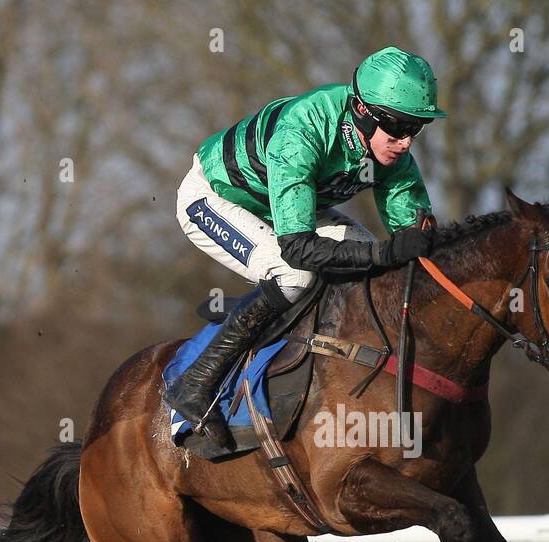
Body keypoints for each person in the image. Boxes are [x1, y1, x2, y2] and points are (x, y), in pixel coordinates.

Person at [169, 46, 446, 447]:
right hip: (217, 199)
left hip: (292, 208)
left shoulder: (391, 151)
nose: (405, 143)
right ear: (365, 112)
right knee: (295, 275)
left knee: (373, 272)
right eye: (399, 127)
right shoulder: (303, 132)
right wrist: (385, 253)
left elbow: (413, 240)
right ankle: (195, 385)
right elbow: (299, 249)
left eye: (416, 128)